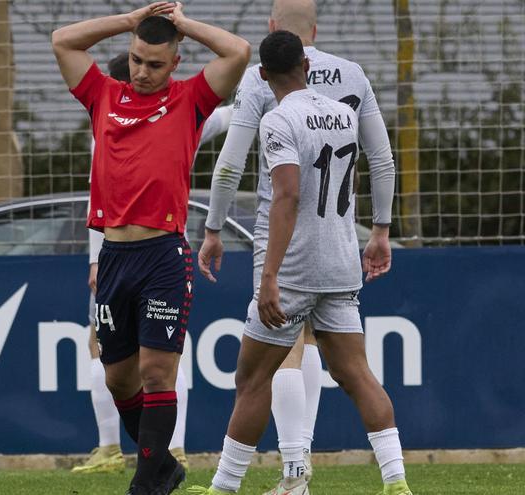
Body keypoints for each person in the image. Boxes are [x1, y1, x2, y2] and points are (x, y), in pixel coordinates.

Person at [187, 30, 412, 495]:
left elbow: (286, 197)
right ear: (307, 68)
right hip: (341, 258)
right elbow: (377, 162)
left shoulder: (278, 119)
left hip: (294, 266)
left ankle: (223, 488)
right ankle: (396, 482)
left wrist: (269, 276)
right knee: (356, 374)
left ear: (263, 74)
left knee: (252, 377)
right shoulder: (343, 113)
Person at [52, 3, 250, 493]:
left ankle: (147, 482)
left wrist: (182, 25)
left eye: (155, 63)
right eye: (137, 59)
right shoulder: (103, 94)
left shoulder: (191, 101)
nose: (142, 71)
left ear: (175, 62)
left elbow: (239, 51)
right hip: (115, 258)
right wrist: (129, 20)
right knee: (118, 378)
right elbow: (63, 41)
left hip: (163, 255)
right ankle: (161, 465)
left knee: (157, 372)